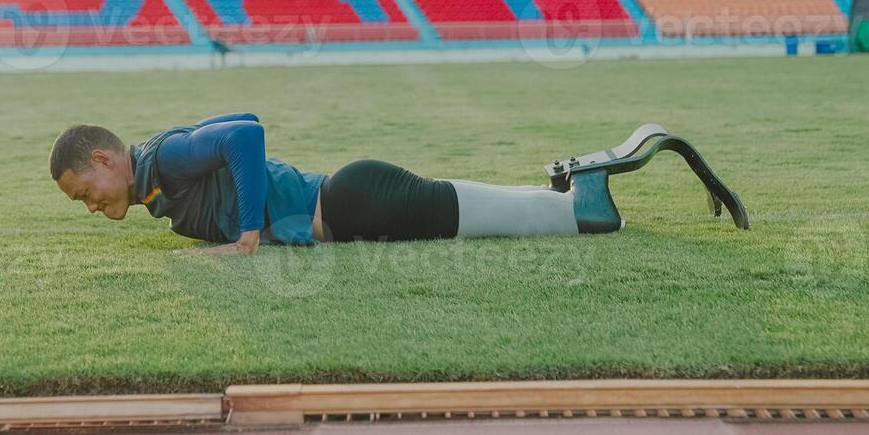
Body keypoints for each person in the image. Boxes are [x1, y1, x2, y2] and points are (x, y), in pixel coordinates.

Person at [49, 113, 747, 256]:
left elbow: (246, 133)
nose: (92, 206)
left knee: (496, 220)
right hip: (352, 205)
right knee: (487, 213)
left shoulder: (164, 159)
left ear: (108, 162)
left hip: (350, 202)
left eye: (86, 192)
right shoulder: (158, 181)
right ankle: (577, 191)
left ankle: (586, 202)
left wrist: (252, 235)